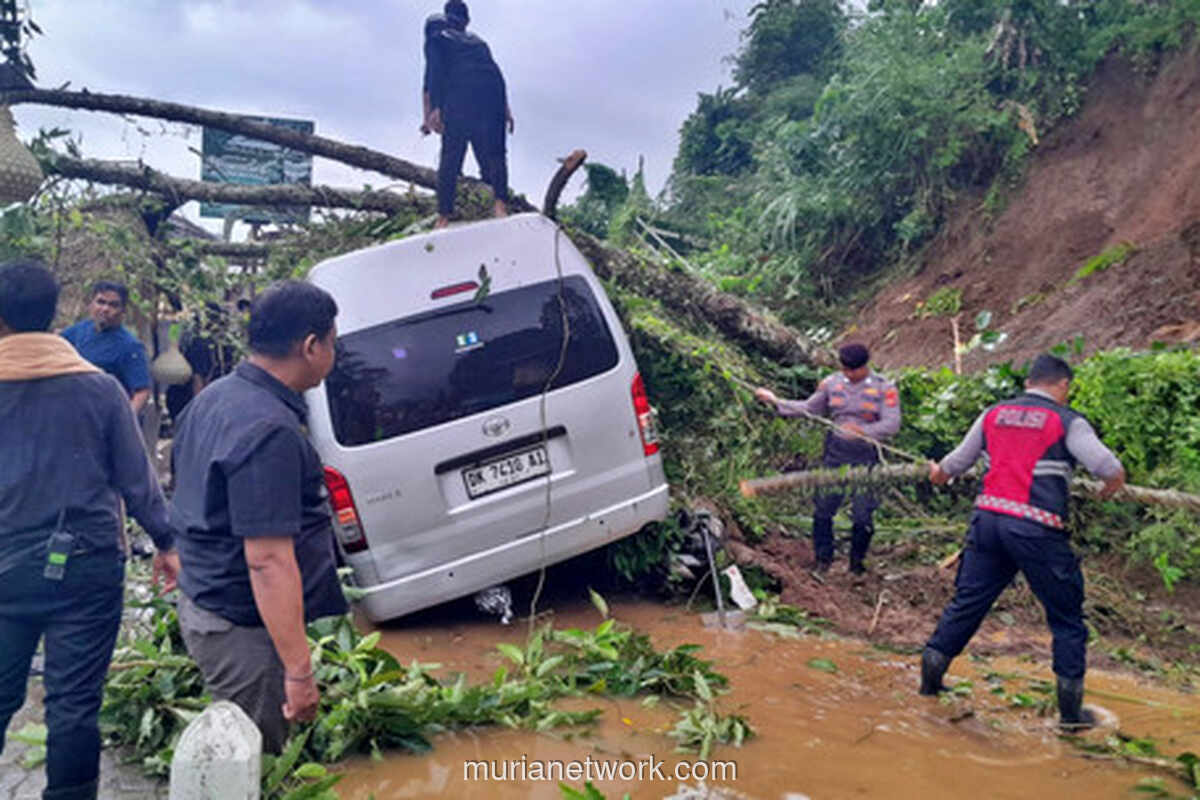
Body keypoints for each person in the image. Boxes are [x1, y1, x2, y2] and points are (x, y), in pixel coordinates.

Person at [0, 260, 179, 800]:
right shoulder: (99, 389)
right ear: (56, 312)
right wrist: (167, 543)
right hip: (87, 566)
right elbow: (137, 479)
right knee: (74, 706)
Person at [170, 280, 348, 753]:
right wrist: (299, 671)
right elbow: (267, 561)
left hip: (206, 601)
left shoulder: (213, 398)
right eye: (333, 340)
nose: (335, 350)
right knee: (255, 761)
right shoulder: (268, 431)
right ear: (311, 346)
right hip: (240, 629)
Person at [920, 354, 1126, 732]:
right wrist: (1109, 491)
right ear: (1062, 385)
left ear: (1029, 381)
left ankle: (929, 687)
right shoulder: (1067, 421)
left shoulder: (993, 414)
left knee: (967, 604)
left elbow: (952, 466)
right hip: (1036, 530)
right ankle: (1071, 718)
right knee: (1066, 621)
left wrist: (936, 474)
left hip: (987, 524)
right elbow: (1109, 469)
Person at [755, 343, 901, 575]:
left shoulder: (885, 387)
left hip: (867, 457)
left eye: (855, 370)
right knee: (823, 509)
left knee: (863, 515)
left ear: (865, 366)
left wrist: (864, 432)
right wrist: (775, 401)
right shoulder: (831, 384)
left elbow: (892, 423)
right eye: (846, 370)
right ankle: (823, 560)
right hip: (835, 454)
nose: (850, 375)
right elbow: (809, 408)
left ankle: (856, 565)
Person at [424, 0, 514, 227]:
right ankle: (500, 207)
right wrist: (505, 109)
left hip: (462, 98)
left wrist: (431, 111)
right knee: (495, 154)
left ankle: (444, 217)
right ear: (467, 21)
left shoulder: (436, 37)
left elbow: (432, 75)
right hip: (492, 96)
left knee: (451, 155)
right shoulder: (479, 43)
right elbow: (495, 74)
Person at [61, 280, 152, 415]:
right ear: (91, 305)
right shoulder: (76, 332)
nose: (105, 309)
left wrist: (124, 422)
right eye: (100, 302)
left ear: (123, 311)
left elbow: (142, 392)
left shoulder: (130, 347)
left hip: (105, 417)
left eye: (113, 305)